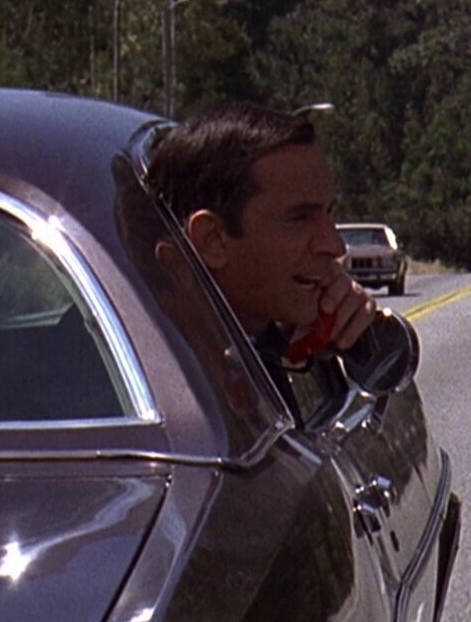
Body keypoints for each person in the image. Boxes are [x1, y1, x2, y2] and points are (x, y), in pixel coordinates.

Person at [145, 103, 379, 406]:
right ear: (212, 239)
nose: (336, 246)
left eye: (328, 214)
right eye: (300, 218)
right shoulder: (144, 383)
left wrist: (343, 334)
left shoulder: (265, 337)